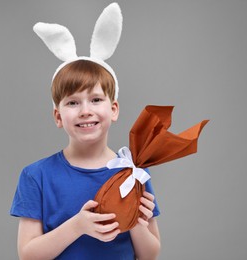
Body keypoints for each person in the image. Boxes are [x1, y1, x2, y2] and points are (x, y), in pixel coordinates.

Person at [10, 3, 161, 259]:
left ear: (113, 109)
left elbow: (150, 254)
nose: (85, 110)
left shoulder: (133, 172)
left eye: (96, 99)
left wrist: (135, 221)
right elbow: (28, 254)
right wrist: (78, 226)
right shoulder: (36, 176)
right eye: (72, 102)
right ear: (58, 116)